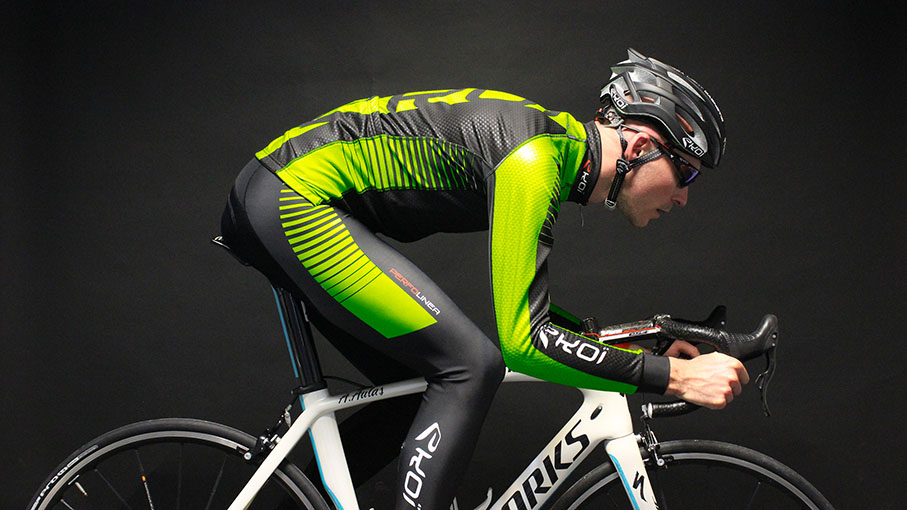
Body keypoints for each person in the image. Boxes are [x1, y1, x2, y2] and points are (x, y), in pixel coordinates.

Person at [220, 48, 748, 509]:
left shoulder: (549, 152)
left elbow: (535, 320)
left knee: (409, 394)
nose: (684, 197)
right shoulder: (533, 159)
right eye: (686, 172)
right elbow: (525, 342)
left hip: (283, 194)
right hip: (291, 198)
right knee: (470, 366)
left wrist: (640, 348)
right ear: (639, 148)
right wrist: (673, 378)